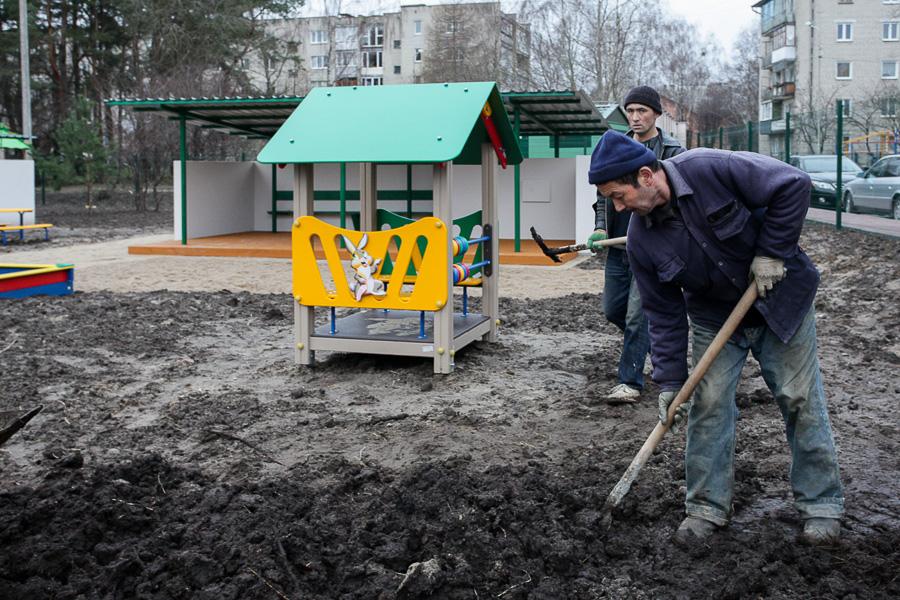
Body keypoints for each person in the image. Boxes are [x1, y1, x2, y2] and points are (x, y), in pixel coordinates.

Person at [587, 130, 844, 546]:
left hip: (780, 300)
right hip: (715, 316)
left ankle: (821, 505)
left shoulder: (709, 168)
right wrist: (671, 384)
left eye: (619, 195)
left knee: (799, 398)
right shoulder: (641, 240)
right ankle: (706, 508)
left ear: (646, 176)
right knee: (706, 406)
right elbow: (663, 316)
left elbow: (793, 185)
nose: (617, 207)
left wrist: (772, 251)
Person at [587, 86, 685, 403]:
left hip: (652, 248)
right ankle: (657, 342)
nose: (635, 117)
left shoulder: (671, 151)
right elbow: (603, 197)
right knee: (613, 309)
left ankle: (630, 382)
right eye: (630, 111)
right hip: (618, 247)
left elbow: (676, 199)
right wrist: (601, 227)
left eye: (641, 110)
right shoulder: (617, 146)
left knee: (635, 315)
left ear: (656, 113)